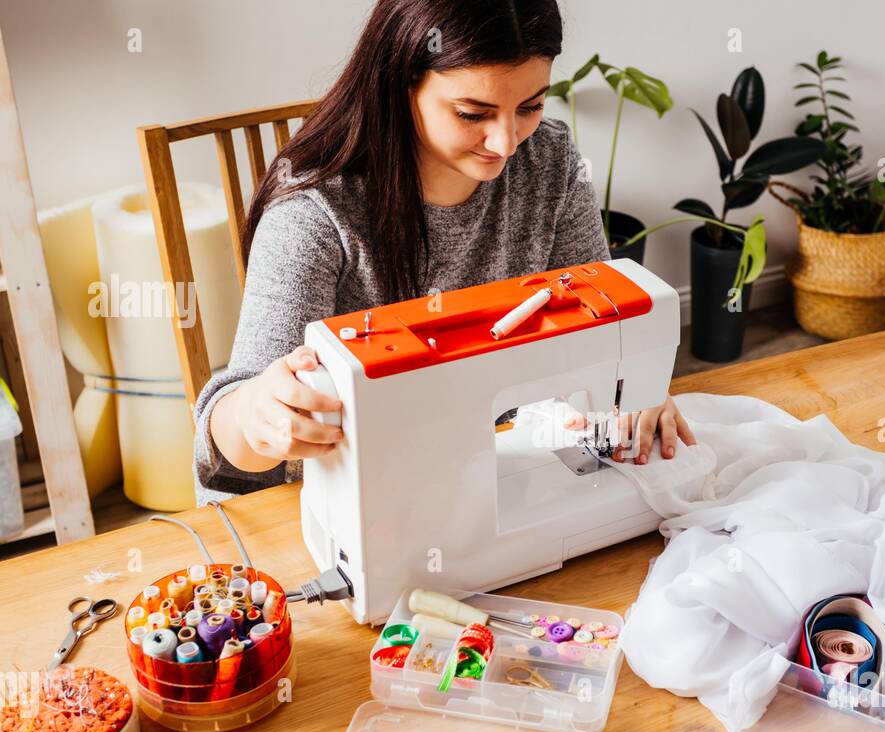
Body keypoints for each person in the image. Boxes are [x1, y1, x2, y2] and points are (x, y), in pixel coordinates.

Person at [195, 0, 694, 504]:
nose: (505, 142)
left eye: (530, 106)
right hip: (349, 497)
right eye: (472, 113)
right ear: (400, 83)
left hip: (486, 466)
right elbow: (227, 443)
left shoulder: (551, 162)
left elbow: (605, 321)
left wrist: (635, 393)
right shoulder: (314, 214)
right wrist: (256, 416)